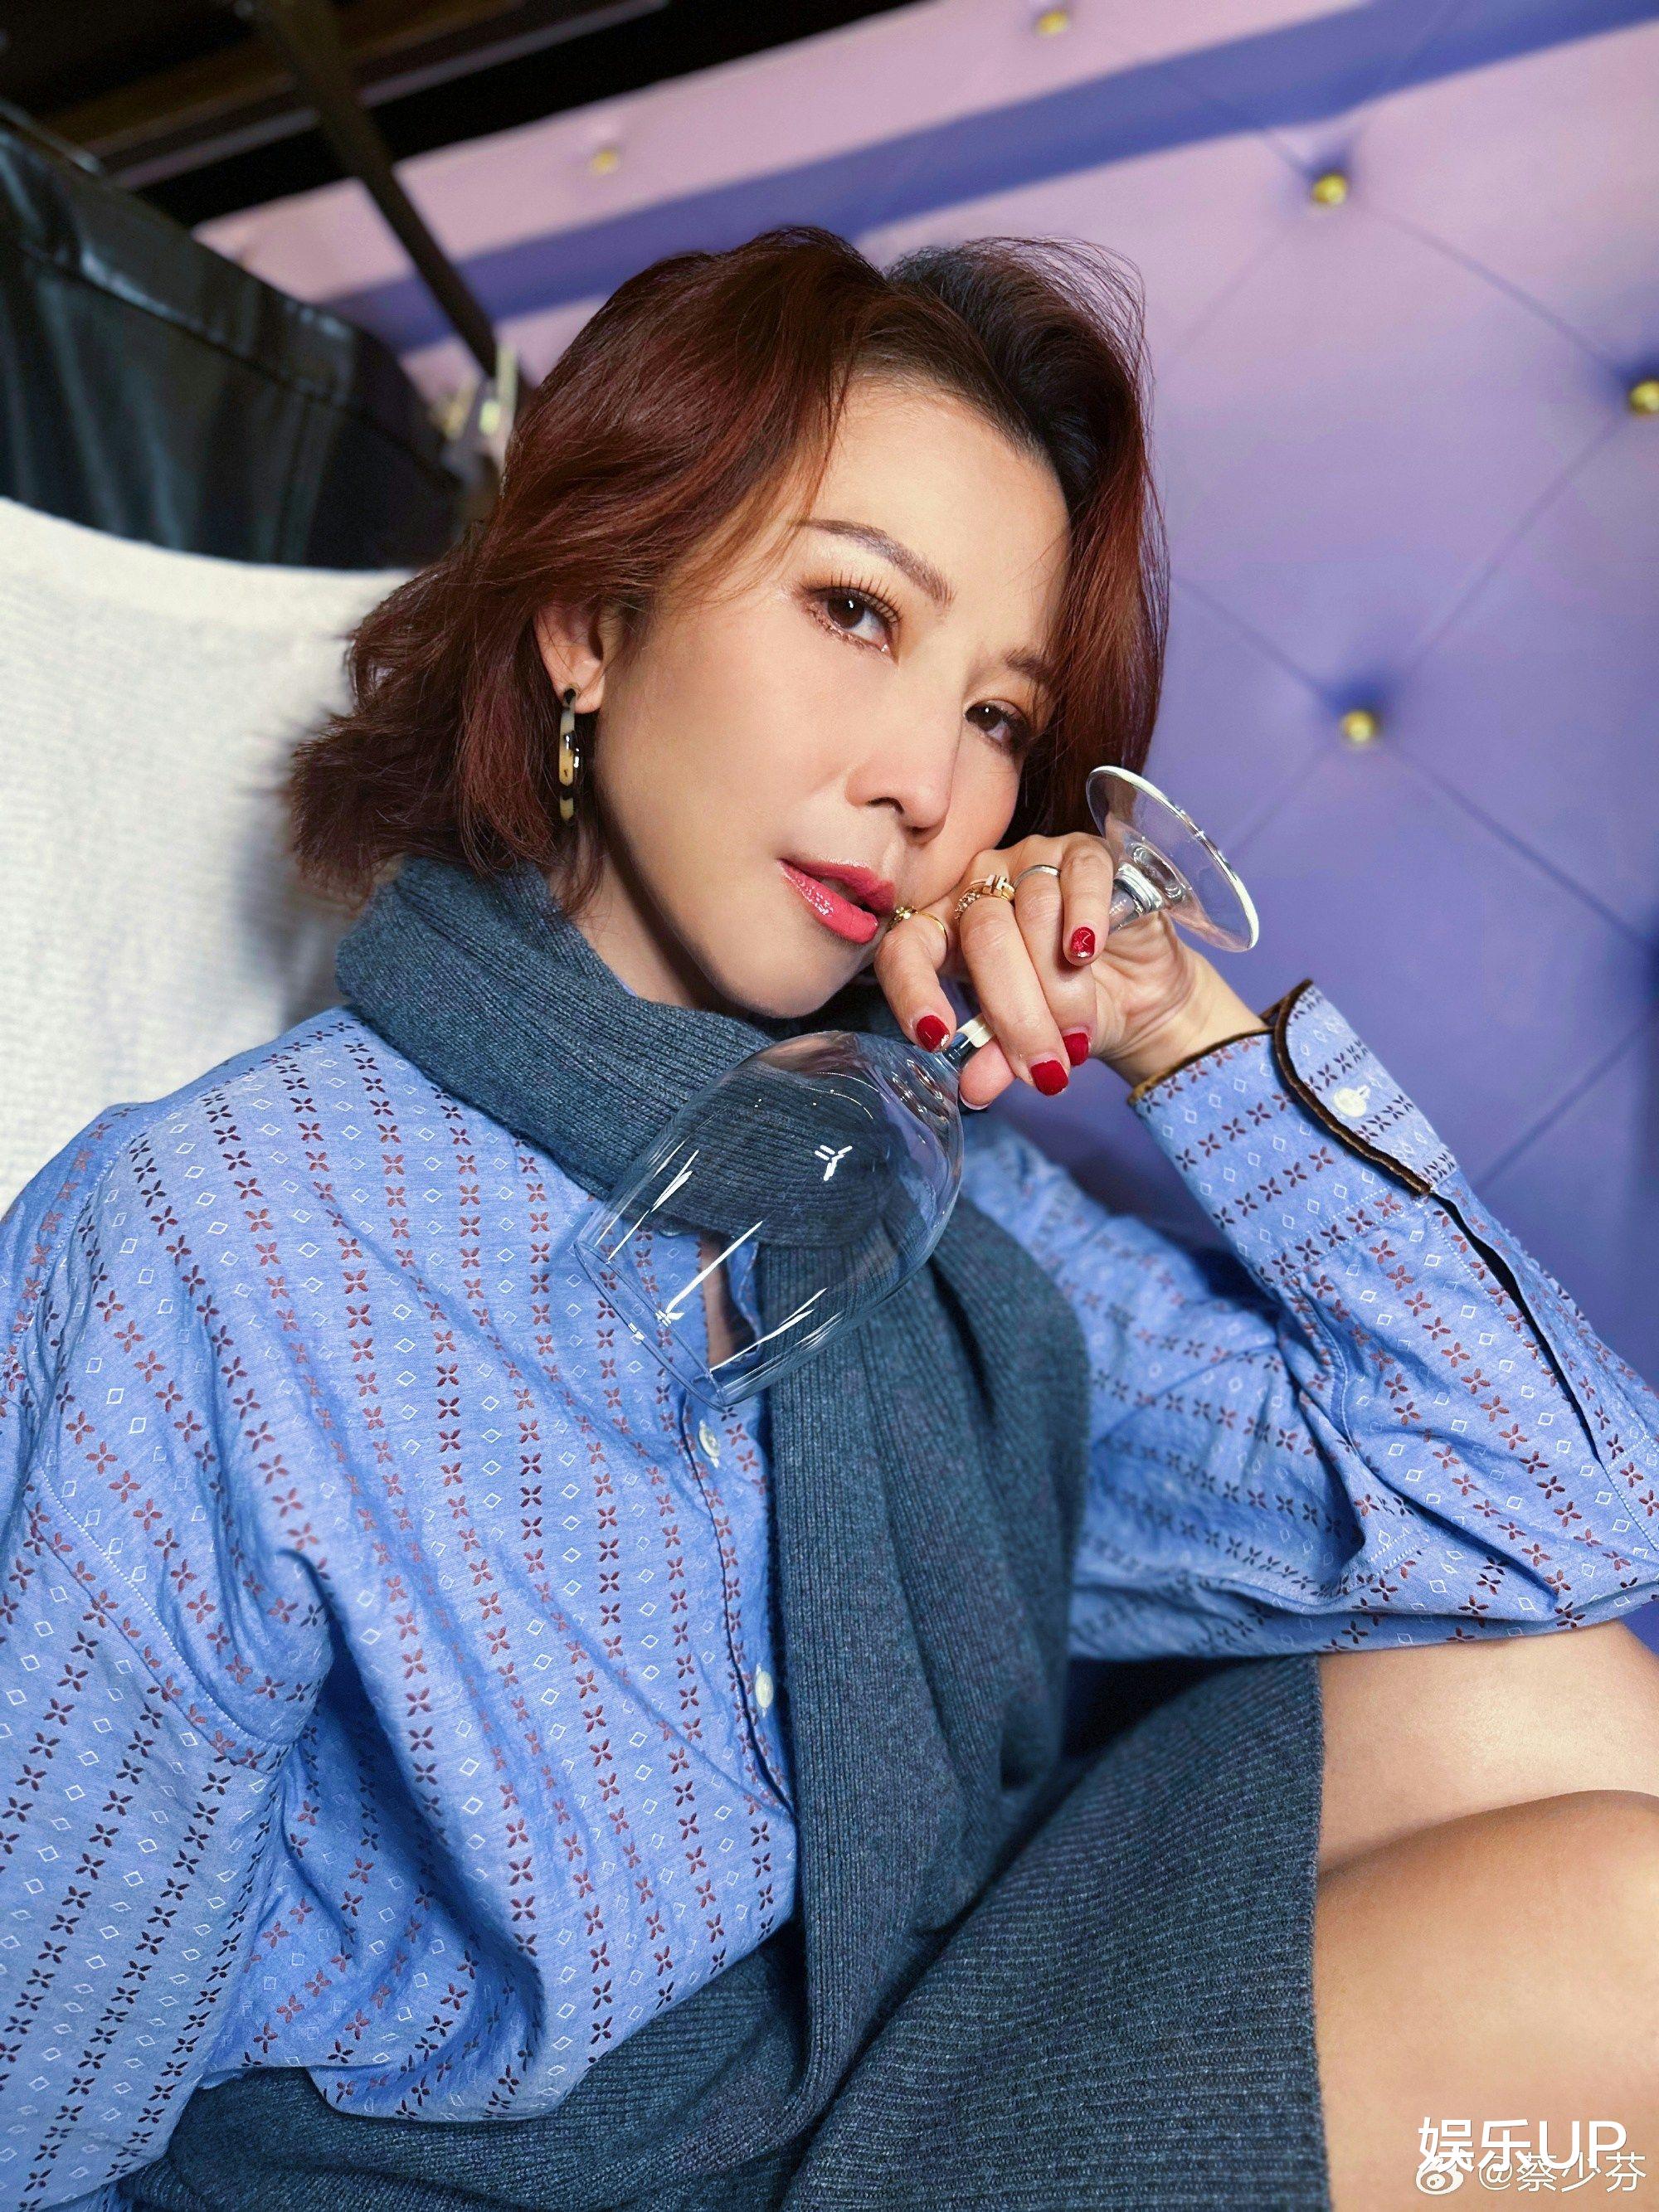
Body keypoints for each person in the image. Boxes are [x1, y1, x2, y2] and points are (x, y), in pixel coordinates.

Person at [5, 225, 1659, 2212]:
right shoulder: (219, 1243)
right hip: (571, 2182)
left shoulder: (933, 1186)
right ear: (590, 618)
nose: (924, 787)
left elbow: (1552, 1519)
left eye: (998, 714)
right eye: (856, 611)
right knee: (1618, 1942)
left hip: (917, 2001)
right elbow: (28, 2084)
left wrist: (1173, 1024)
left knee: (1574, 1696)